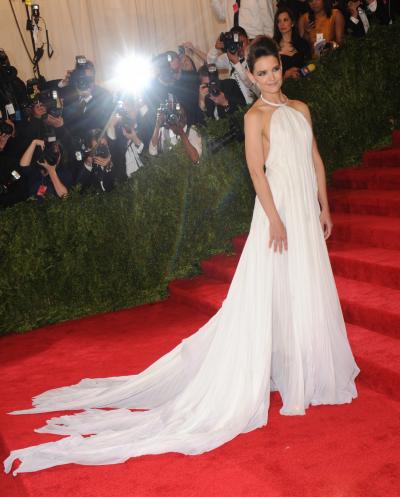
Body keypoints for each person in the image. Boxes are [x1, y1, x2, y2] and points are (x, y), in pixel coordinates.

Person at [3, 36, 359, 476]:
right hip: (279, 211)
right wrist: (274, 218)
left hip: (305, 210)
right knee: (275, 287)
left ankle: (306, 366)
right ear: (251, 76)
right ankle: (287, 371)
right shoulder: (255, 116)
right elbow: (256, 171)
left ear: (282, 68)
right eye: (262, 72)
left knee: (304, 284)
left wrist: (324, 206)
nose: (270, 78)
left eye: (275, 70)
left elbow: (315, 159)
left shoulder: (301, 109)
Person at [207, 26, 258, 104]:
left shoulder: (255, 57)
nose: (239, 47)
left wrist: (236, 63)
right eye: (236, 43)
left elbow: (250, 84)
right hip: (235, 105)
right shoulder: (230, 56)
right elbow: (211, 63)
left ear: (248, 40)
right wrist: (216, 48)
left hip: (252, 104)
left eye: (242, 43)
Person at [273, 6, 311, 78]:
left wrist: (300, 73)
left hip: (303, 82)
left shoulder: (303, 43)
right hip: (282, 84)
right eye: (279, 21)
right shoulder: (272, 47)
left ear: (292, 23)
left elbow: (310, 66)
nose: (282, 24)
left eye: (285, 20)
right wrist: (285, 75)